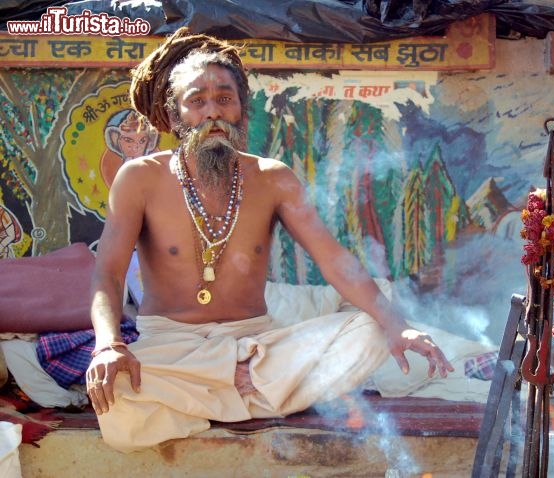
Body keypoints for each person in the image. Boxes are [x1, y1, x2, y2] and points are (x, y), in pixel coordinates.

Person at [85, 28, 453, 452]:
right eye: (197, 101)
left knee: (370, 330)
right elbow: (108, 273)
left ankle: (214, 396)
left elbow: (335, 261)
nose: (212, 113)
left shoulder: (272, 177)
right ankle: (247, 392)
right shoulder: (140, 178)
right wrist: (109, 346)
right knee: (115, 392)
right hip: (173, 346)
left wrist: (399, 328)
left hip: (255, 344)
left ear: (242, 111)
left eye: (225, 99)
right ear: (172, 117)